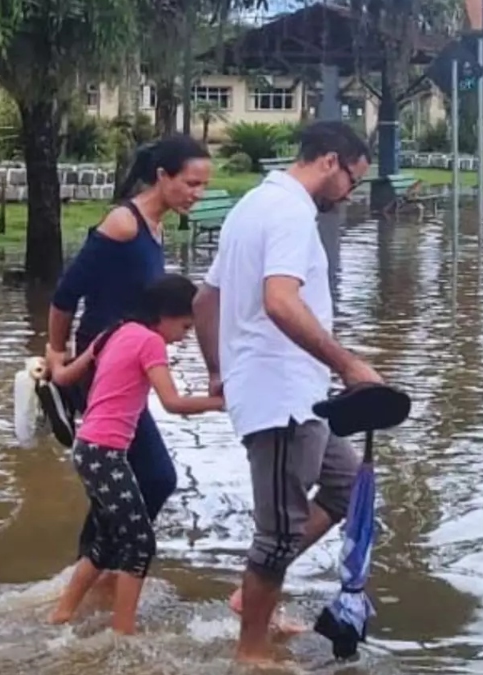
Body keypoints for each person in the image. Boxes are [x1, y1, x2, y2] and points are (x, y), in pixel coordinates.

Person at [191, 120, 383, 664]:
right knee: (277, 535)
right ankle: (251, 652)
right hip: (280, 399)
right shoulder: (291, 214)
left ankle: (251, 599)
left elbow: (207, 301)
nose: (350, 192)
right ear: (329, 162)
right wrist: (347, 364)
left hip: (299, 395)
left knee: (346, 488)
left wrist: (217, 371)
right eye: (353, 180)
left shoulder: (253, 204)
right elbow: (279, 301)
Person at [45, 134, 212, 602]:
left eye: (203, 185)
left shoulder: (157, 227)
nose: (196, 193)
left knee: (138, 475)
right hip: (101, 365)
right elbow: (66, 293)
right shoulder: (124, 222)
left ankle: (95, 568)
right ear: (163, 176)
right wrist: (56, 352)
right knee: (155, 476)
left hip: (128, 362)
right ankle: (100, 566)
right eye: (191, 183)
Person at [47, 275, 225, 634]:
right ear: (165, 315)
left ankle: (62, 615)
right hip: (106, 454)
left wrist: (51, 359)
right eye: (185, 326)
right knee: (140, 543)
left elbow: (64, 377)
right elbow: (173, 403)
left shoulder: (113, 332)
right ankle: (123, 633)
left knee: (107, 540)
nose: (185, 335)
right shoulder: (150, 342)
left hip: (87, 449)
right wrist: (223, 403)